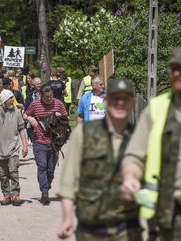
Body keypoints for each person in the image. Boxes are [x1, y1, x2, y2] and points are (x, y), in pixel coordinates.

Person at [57, 78, 141, 241]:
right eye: (115, 98)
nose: (120, 103)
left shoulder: (139, 137)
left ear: (133, 102)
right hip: (91, 228)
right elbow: (68, 181)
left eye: (126, 99)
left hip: (128, 228)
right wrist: (67, 217)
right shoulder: (83, 134)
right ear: (106, 101)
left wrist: (152, 228)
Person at [120, 48, 181, 240]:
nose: (178, 73)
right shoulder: (156, 108)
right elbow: (134, 155)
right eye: (175, 68)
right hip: (171, 214)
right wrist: (130, 176)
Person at [24, 84, 68, 205]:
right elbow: (25, 114)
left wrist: (61, 117)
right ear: (41, 95)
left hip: (54, 142)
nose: (49, 99)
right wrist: (30, 118)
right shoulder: (35, 104)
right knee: (42, 166)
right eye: (46, 97)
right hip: (39, 141)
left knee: (50, 169)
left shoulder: (58, 104)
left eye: (51, 96)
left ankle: (46, 186)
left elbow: (66, 118)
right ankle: (44, 192)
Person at [0, 90, 28, 206]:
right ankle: (6, 195)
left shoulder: (16, 112)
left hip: (13, 147)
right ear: (5, 99)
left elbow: (21, 129)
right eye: (10, 98)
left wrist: (25, 145)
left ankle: (16, 194)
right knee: (3, 174)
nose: (12, 100)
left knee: (13, 171)